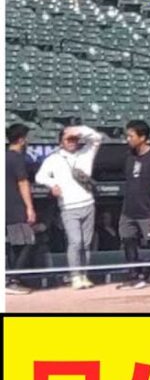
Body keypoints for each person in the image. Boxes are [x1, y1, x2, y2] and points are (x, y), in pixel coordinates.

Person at [35, 125, 103, 290]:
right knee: (75, 242)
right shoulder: (54, 158)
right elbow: (39, 176)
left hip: (88, 203)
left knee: (86, 243)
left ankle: (84, 275)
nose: (72, 142)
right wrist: (52, 185)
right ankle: (75, 276)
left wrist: (78, 130)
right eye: (68, 139)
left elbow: (97, 138)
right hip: (68, 206)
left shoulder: (85, 153)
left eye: (74, 139)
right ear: (60, 142)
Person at [117, 120, 150, 290]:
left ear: (143, 137)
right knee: (128, 240)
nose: (128, 139)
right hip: (129, 211)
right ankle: (134, 276)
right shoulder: (129, 156)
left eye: (131, 136)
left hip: (148, 211)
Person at [6, 124, 37, 294]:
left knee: (14, 245)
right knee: (27, 242)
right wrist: (30, 208)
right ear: (21, 139)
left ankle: (11, 278)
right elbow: (23, 183)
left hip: (7, 208)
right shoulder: (16, 158)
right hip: (16, 207)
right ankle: (12, 280)